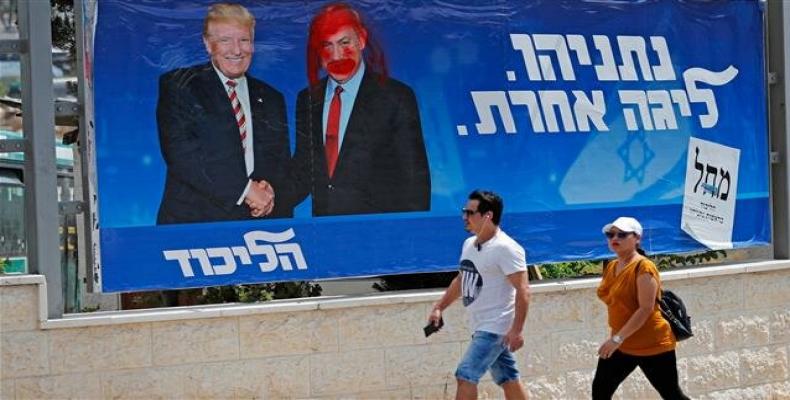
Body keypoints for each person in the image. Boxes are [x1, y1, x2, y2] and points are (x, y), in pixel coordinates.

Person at [285, 2, 430, 216]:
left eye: (344, 42)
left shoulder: (396, 97)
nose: (336, 55)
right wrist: (269, 195)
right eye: (326, 45)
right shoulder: (307, 99)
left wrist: (405, 238)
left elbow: (415, 181)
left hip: (379, 235)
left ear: (361, 39)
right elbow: (305, 170)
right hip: (326, 231)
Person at [156, 3, 291, 224]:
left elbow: (280, 162)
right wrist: (246, 190)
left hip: (257, 226)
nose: (236, 50)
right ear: (208, 44)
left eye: (244, 40)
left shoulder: (271, 97)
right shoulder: (180, 85)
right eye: (225, 40)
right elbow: (182, 156)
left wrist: (270, 192)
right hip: (193, 226)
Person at [429, 190, 530, 400]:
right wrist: (439, 307)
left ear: (488, 216)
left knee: (465, 375)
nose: (464, 217)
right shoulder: (469, 245)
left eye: (470, 212)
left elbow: (523, 290)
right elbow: (461, 279)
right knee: (508, 377)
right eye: (464, 211)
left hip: (495, 327)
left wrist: (517, 330)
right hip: (479, 324)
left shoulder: (506, 248)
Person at [593, 217, 690, 399]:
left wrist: (616, 339)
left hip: (652, 344)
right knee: (600, 391)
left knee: (672, 395)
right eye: (610, 234)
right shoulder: (612, 265)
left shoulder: (644, 267)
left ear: (637, 238)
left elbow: (645, 309)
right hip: (622, 343)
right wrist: (617, 338)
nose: (615, 238)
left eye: (622, 234)